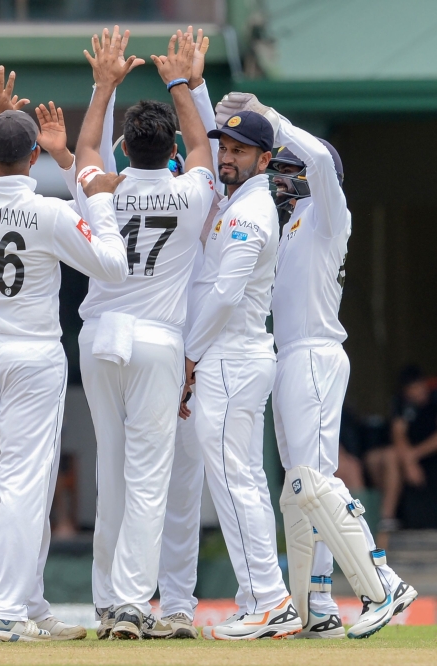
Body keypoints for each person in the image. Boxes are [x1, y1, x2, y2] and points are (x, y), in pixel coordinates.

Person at [0, 65, 128, 642]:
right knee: (24, 481)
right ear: (35, 159)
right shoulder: (49, 210)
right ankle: (9, 609)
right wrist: (98, 202)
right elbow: (112, 268)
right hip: (32, 354)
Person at [215, 92, 418, 638]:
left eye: (287, 167)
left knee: (312, 480)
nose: (281, 177)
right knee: (299, 488)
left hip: (315, 352)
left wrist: (272, 119)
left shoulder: (330, 212)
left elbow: (323, 162)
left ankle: (383, 583)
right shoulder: (287, 222)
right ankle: (319, 601)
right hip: (289, 355)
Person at [73, 28, 214, 640]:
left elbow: (83, 153)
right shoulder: (190, 192)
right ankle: (130, 603)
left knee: (113, 472)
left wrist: (104, 85)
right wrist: (180, 81)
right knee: (149, 476)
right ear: (170, 148)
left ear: (127, 146)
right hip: (158, 339)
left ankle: (108, 601)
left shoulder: (105, 188)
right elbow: (205, 146)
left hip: (101, 336)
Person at [180, 100, 299, 639]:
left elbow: (227, 293)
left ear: (264, 158)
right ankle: (260, 596)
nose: (226, 157)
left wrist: (190, 355)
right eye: (224, 148)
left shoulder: (251, 211)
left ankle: (270, 601)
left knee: (235, 482)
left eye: (239, 150)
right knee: (240, 478)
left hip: (233, 356)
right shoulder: (238, 202)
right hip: (233, 356)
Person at [391, 364, 437, 529]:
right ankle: (387, 521)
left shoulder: (434, 396)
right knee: (391, 458)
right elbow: (398, 432)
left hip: (427, 455)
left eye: (417, 386)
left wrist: (413, 455)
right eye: (411, 388)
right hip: (413, 460)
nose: (415, 392)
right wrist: (409, 462)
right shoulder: (403, 403)